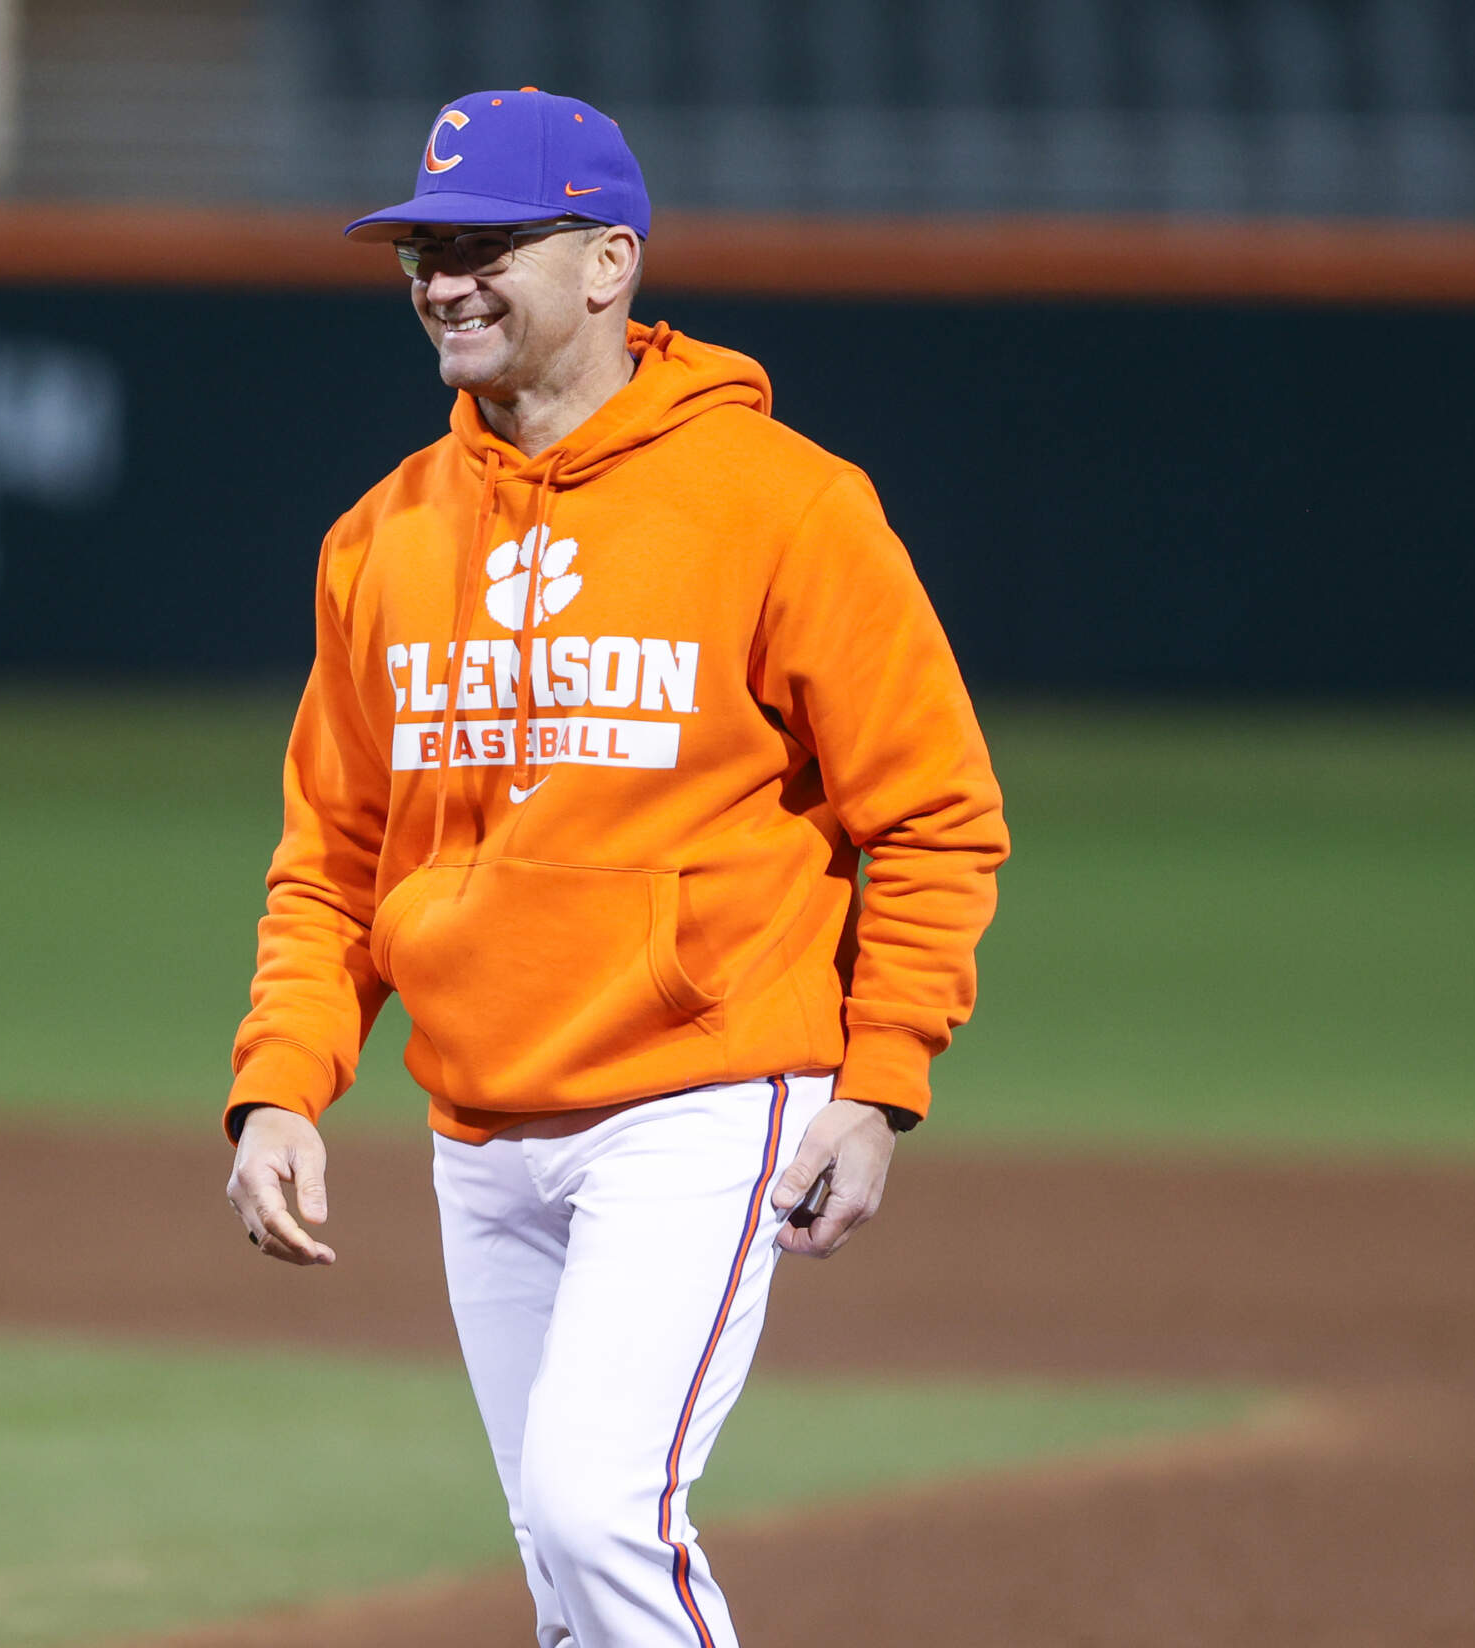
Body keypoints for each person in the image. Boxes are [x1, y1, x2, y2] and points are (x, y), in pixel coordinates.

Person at [222, 87, 1008, 1648]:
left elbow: (932, 815)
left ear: (608, 262)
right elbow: (333, 858)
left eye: (487, 247)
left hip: (699, 1096)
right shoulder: (381, 538)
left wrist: (880, 1081)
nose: (445, 283)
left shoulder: (784, 504)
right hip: (479, 1120)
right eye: (426, 251)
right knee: (565, 1572)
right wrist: (280, 1087)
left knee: (598, 1513)